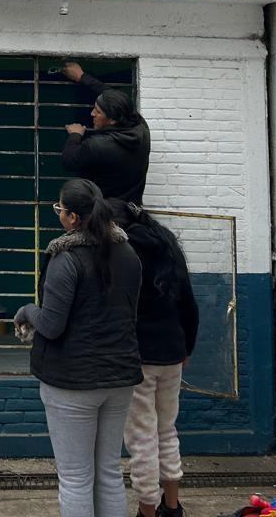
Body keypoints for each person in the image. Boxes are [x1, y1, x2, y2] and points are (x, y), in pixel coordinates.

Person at [14, 179, 143, 517]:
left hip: (72, 382)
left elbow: (52, 326)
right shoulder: (129, 254)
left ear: (71, 217)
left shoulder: (65, 258)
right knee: (110, 473)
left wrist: (28, 310)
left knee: (75, 478)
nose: (58, 215)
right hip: (120, 378)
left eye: (59, 209)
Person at [108, 198, 198, 517]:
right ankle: (172, 506)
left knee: (141, 436)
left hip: (141, 356)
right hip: (173, 351)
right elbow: (188, 301)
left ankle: (147, 510)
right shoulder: (166, 242)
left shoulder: (122, 252)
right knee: (166, 428)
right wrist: (187, 346)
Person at [60, 60, 152, 205]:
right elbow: (114, 97)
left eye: (98, 111)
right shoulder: (141, 127)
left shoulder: (98, 145)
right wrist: (82, 76)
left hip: (103, 214)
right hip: (130, 211)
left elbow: (69, 161)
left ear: (112, 120)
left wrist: (75, 135)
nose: (92, 113)